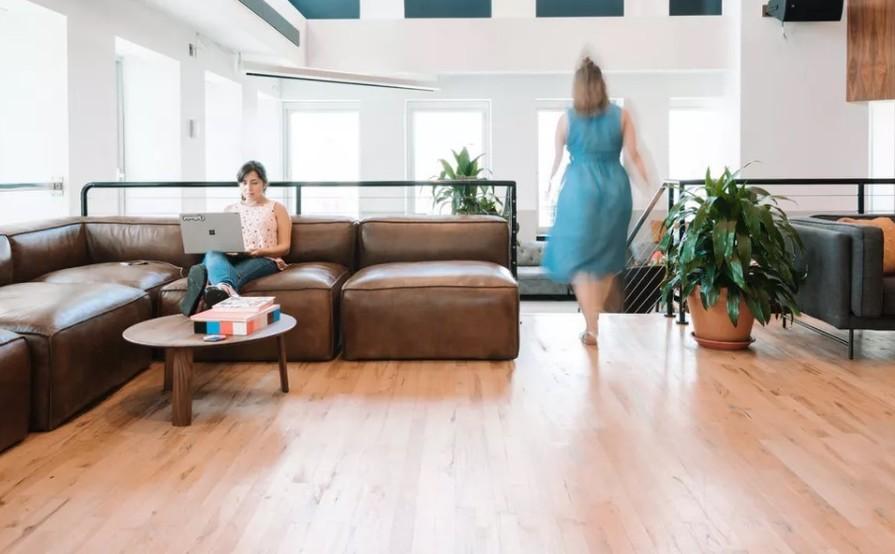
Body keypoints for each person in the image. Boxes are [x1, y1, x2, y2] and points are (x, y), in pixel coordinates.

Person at [542, 56, 650, 346]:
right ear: (603, 85)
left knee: (581, 263)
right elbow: (633, 155)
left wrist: (549, 183)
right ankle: (597, 315)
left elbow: (556, 159)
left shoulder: (566, 119)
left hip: (579, 189)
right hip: (614, 190)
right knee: (606, 260)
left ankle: (592, 326)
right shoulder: (622, 115)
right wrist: (647, 182)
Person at [180, 160, 292, 315]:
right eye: (244, 183)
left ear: (264, 184)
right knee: (213, 251)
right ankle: (225, 291)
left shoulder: (277, 208)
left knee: (221, 270)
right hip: (232, 255)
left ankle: (210, 284)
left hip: (264, 258)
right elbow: (221, 238)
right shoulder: (230, 209)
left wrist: (260, 251)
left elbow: (285, 247)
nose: (248, 188)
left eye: (254, 182)